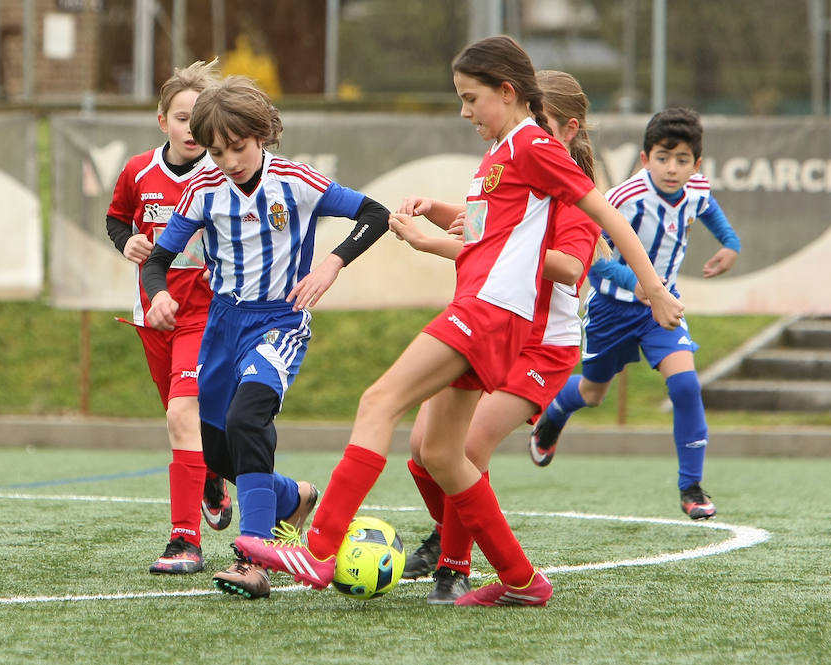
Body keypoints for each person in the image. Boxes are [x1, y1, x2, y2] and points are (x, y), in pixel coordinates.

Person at [233, 36, 683, 607]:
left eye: (471, 99)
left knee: (378, 402)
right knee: (443, 454)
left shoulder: (531, 145)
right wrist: (431, 215)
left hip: (489, 314)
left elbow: (603, 215)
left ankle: (320, 550)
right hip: (488, 312)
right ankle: (523, 581)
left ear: (507, 91)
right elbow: (483, 229)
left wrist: (653, 288)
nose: (465, 112)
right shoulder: (500, 155)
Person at [140, 75, 391, 599]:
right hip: (222, 325)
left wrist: (331, 264)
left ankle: (254, 555)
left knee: (247, 418)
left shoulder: (296, 181)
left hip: (280, 321)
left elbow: (375, 214)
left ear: (262, 135)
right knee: (215, 447)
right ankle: (292, 498)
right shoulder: (203, 190)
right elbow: (159, 259)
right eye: (217, 150)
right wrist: (159, 293)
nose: (229, 160)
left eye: (239, 147)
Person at [392, 70, 608, 603]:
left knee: (464, 447)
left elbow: (568, 266)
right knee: (422, 452)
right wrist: (435, 212)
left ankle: (456, 564)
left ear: (567, 130)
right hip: (494, 325)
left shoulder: (573, 197)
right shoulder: (515, 169)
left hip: (542, 346)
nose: (527, 131)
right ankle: (451, 532)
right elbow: (480, 224)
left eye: (542, 122)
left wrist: (455, 244)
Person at [529, 107, 740, 521]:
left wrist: (730, 244)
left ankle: (691, 487)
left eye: (682, 160)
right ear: (645, 159)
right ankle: (554, 413)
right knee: (593, 393)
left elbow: (710, 209)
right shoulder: (624, 198)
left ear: (696, 165)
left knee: (685, 387)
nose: (672, 169)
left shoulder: (696, 189)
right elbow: (593, 255)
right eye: (663, 158)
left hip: (662, 308)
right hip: (611, 308)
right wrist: (636, 284)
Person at [106, 59, 237, 575]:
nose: (191, 129)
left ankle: (185, 542)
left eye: (199, 119)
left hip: (204, 316)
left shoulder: (224, 173)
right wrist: (129, 242)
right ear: (163, 121)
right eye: (182, 118)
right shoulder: (139, 170)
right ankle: (207, 479)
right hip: (152, 315)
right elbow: (117, 219)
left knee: (182, 416)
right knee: (182, 420)